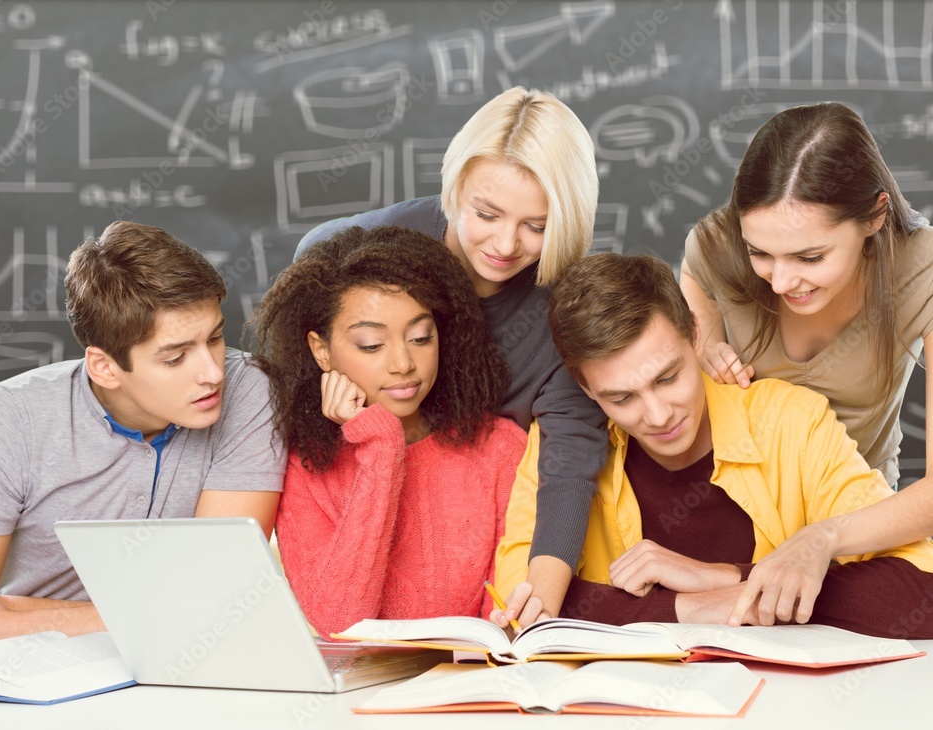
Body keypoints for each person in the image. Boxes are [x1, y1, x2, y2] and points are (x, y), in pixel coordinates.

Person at [492, 252, 933, 638]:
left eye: (668, 378)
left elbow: (920, 590)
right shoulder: (562, 443)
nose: (659, 415)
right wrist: (691, 608)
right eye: (621, 398)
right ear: (586, 390)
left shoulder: (792, 422)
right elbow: (524, 611)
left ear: (696, 335)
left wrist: (724, 580)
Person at [295, 87, 605, 621]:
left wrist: (542, 593)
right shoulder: (365, 248)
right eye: (486, 213)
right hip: (356, 513)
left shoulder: (564, 312)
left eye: (537, 226)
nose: (506, 244)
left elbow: (571, 457)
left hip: (480, 539)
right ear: (456, 185)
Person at [0, 222, 286, 650]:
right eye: (175, 357)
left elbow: (216, 598)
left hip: (182, 660)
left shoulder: (250, 390)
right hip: (28, 670)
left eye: (214, 338)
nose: (213, 373)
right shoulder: (5, 418)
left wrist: (14, 620)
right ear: (103, 367)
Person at [679, 101, 933, 627]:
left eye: (810, 258)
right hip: (730, 529)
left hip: (858, 534)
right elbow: (696, 286)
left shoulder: (923, 271)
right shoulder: (716, 245)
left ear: (876, 216)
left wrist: (821, 539)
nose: (778, 282)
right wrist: (703, 346)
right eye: (760, 254)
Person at [248, 225, 527, 639]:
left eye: (420, 337)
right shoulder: (303, 465)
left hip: (474, 688)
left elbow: (503, 623)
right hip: (356, 697)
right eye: (371, 345)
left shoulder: (499, 448)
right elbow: (341, 622)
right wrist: (380, 446)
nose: (403, 362)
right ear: (320, 349)